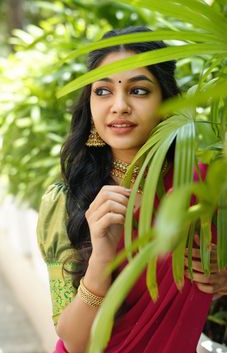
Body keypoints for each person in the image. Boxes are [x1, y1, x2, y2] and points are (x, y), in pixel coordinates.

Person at [36, 26, 227, 353]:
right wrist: (101, 257)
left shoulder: (206, 188)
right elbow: (74, 341)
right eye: (103, 91)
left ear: (166, 99)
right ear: (90, 102)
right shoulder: (67, 199)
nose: (120, 105)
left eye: (138, 91)